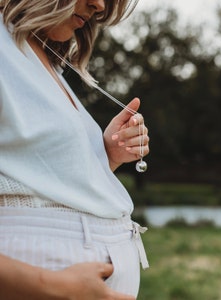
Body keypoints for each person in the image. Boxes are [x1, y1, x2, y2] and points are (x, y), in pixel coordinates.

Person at [0, 0, 150, 299]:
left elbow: (30, 173)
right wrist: (52, 286)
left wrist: (102, 156)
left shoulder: (37, 53)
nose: (99, 5)